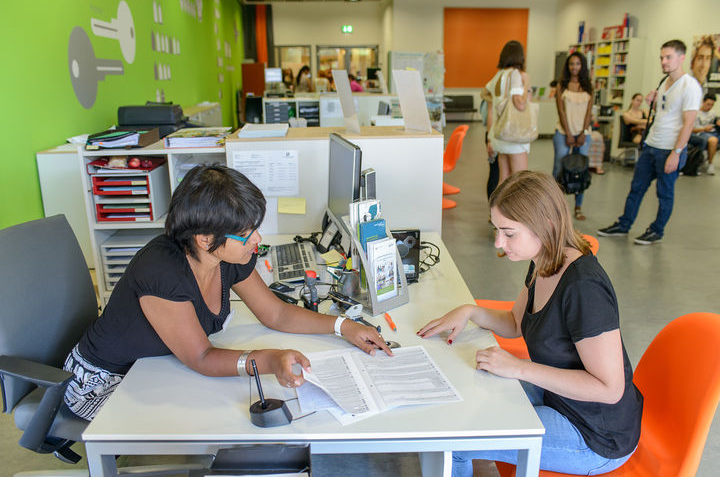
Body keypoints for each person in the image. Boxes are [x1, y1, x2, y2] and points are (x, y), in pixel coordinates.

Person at [62, 164, 391, 421]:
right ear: (205, 238)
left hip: (154, 370)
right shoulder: (161, 271)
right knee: (218, 423)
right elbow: (202, 357)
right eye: (247, 234)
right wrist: (270, 360)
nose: (257, 240)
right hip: (103, 383)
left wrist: (344, 326)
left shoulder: (227, 256)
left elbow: (275, 313)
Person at [417, 171, 642, 476]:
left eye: (509, 233)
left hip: (594, 434)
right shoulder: (545, 261)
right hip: (559, 398)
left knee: (455, 442)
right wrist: (469, 311)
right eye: (496, 229)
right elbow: (515, 323)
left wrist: (518, 368)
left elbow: (609, 389)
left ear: (546, 225)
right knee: (466, 395)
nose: (499, 242)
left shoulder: (583, 289)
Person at [598, 39, 702, 245]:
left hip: (669, 150)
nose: (663, 61)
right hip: (652, 145)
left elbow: (688, 124)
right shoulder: (665, 82)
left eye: (668, 57)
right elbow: (664, 112)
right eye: (662, 57)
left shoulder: (690, 86)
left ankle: (657, 230)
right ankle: (623, 224)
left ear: (681, 58)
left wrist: (676, 152)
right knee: (636, 188)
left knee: (664, 194)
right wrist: (652, 100)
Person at [552, 52, 594, 221]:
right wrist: (569, 133)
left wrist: (583, 133)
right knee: (559, 167)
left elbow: (589, 112)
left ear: (582, 66)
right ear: (567, 66)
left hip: (584, 134)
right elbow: (561, 111)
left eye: (577, 64)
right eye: (571, 64)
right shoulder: (561, 85)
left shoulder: (589, 86)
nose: (574, 67)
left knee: (580, 170)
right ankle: (555, 206)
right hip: (563, 132)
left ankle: (578, 207)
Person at [485, 40, 531, 185]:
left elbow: (490, 107)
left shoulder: (498, 76)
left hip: (500, 135)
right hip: (514, 136)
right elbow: (520, 104)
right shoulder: (515, 74)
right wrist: (527, 85)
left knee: (503, 179)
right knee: (519, 181)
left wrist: (490, 139)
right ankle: (514, 209)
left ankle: (497, 208)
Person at [689, 93, 719, 175]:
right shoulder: (696, 113)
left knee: (714, 138)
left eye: (712, 105)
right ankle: (710, 164)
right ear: (703, 102)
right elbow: (692, 130)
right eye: (708, 104)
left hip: (712, 132)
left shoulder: (713, 113)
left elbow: (716, 122)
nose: (709, 107)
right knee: (713, 140)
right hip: (700, 133)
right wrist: (704, 129)